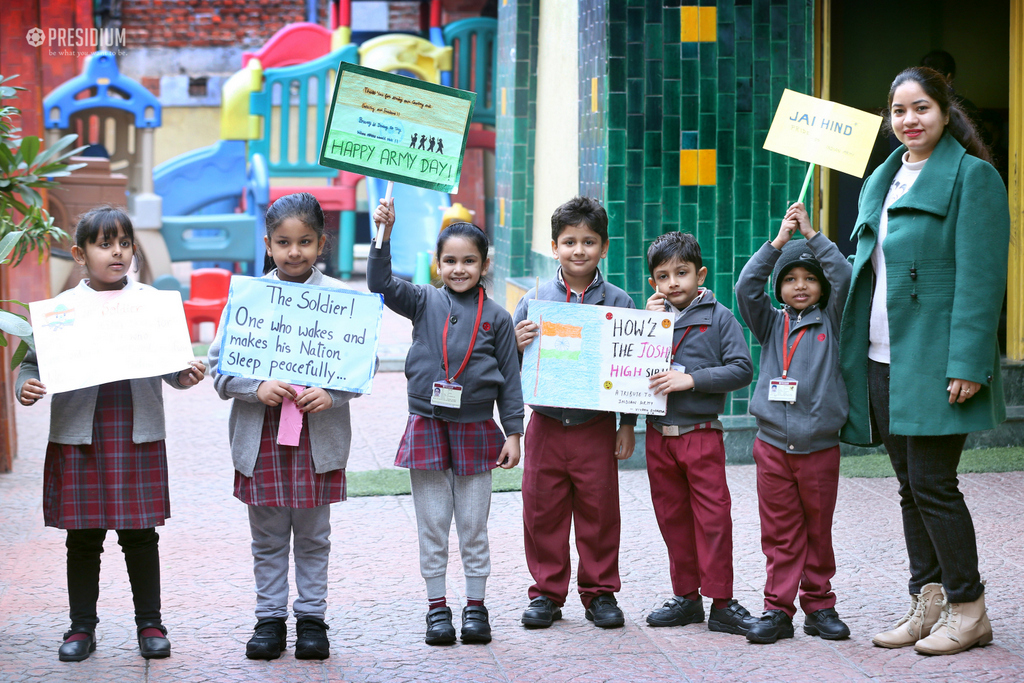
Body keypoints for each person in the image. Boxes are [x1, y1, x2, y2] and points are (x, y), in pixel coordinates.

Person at [839, 67, 1008, 656]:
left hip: (938, 360)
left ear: (944, 110)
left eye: (921, 108)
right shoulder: (883, 181)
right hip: (882, 355)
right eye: (898, 111)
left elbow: (984, 280)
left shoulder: (973, 178)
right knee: (911, 488)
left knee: (935, 485)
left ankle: (969, 609)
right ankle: (929, 602)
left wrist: (967, 362)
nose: (909, 121)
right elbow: (871, 266)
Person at [16, 206, 206, 662]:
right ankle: (81, 627)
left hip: (135, 434)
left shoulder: (151, 305)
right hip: (80, 437)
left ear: (133, 249)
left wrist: (185, 374)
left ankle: (150, 623)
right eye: (104, 244)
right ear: (81, 255)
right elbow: (30, 365)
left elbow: (171, 368)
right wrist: (26, 385)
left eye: (123, 243)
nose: (116, 252)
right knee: (82, 538)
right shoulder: (60, 312)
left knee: (141, 535)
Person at [209, 192, 365, 661]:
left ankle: (312, 619)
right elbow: (219, 368)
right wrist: (254, 387)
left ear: (321, 243)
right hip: (261, 440)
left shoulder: (343, 299)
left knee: (315, 536)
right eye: (283, 242)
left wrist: (334, 394)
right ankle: (270, 619)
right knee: (268, 537)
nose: (294, 251)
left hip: (318, 439)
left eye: (304, 242)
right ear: (269, 244)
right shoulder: (247, 299)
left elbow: (361, 364)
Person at [368, 198, 524, 646]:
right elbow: (378, 280)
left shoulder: (498, 317)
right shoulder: (422, 300)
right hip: (427, 426)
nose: (459, 269)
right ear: (437, 264)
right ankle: (437, 608)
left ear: (484, 264)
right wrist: (384, 231)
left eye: (469, 261)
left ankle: (476, 606)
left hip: (477, 431)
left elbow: (510, 381)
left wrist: (514, 432)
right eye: (450, 260)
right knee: (433, 523)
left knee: (473, 525)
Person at [512, 196, 636, 630]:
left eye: (588, 241)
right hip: (545, 422)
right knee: (541, 510)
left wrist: (628, 425)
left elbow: (632, 369)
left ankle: (600, 593)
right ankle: (546, 594)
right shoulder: (534, 300)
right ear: (554, 246)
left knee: (599, 512)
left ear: (604, 247)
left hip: (595, 426)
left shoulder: (620, 300)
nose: (578, 250)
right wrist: (516, 342)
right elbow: (511, 369)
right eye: (569, 242)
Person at [735, 202, 853, 645]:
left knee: (817, 531)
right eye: (790, 279)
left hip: (820, 447)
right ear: (780, 287)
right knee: (780, 532)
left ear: (820, 287)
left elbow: (844, 276)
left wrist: (812, 235)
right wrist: (779, 243)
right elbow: (746, 287)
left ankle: (820, 607)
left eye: (808, 279)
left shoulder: (834, 321)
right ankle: (777, 608)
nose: (800, 286)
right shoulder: (770, 324)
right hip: (772, 447)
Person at [642, 232, 757, 635]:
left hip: (701, 434)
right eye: (663, 276)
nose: (673, 282)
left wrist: (690, 379)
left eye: (682, 273)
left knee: (712, 519)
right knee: (672, 518)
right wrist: (645, 325)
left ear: (700, 274)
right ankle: (686, 598)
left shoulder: (720, 317)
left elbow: (742, 369)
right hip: (657, 436)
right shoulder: (649, 320)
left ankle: (722, 601)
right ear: (653, 282)